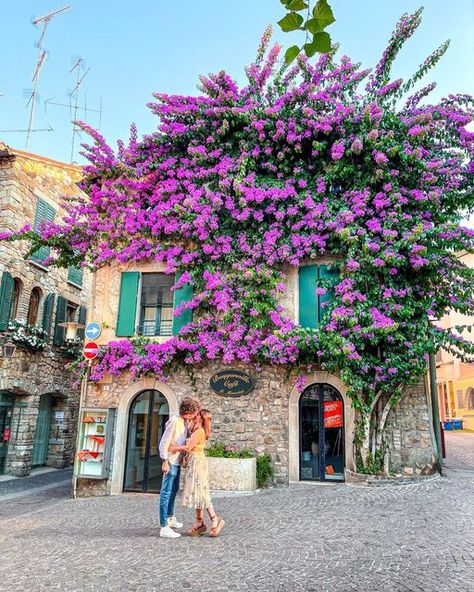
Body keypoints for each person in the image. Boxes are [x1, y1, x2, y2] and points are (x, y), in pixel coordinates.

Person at [169, 408, 225, 537]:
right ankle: (199, 521)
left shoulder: (199, 431)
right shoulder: (196, 430)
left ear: (201, 418)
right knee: (197, 491)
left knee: (201, 491)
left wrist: (171, 447)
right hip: (194, 461)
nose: (194, 415)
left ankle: (214, 518)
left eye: (197, 415)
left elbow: (188, 447)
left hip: (197, 463)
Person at [158, 397, 200, 539]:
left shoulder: (184, 422)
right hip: (170, 460)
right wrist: (164, 461)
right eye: (193, 413)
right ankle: (163, 526)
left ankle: (169, 518)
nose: (194, 416)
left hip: (176, 460)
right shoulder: (174, 421)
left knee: (174, 490)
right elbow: (164, 442)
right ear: (188, 412)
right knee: (166, 492)